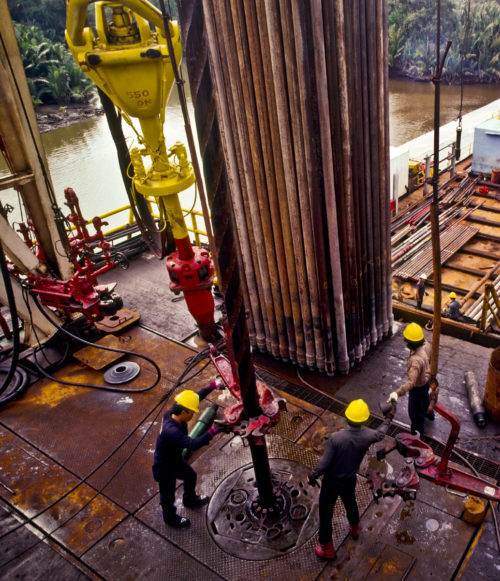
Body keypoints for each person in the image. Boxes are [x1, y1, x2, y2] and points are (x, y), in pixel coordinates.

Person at [308, 399, 393, 560]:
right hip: (349, 480)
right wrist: (388, 418)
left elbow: (324, 465)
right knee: (350, 503)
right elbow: (381, 433)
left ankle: (326, 547)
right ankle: (354, 528)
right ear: (365, 420)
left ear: (347, 418)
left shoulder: (336, 438)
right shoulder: (368, 435)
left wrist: (313, 475)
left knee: (326, 513)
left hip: (331, 482)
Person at [152, 383, 223, 527]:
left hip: (175, 460)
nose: (193, 415)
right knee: (167, 495)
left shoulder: (173, 411)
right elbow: (193, 444)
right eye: (191, 413)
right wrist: (214, 430)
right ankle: (170, 518)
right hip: (165, 467)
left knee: (190, 476)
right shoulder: (171, 431)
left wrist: (213, 386)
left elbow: (196, 397)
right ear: (184, 412)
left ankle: (189, 499)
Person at [388, 322, 432, 436]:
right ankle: (430, 414)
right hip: (426, 382)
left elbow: (411, 382)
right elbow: (430, 359)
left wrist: (397, 393)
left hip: (417, 388)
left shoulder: (415, 361)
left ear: (410, 342)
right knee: (425, 400)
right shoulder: (426, 344)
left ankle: (416, 436)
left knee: (415, 414)